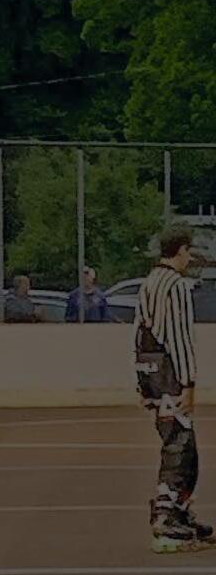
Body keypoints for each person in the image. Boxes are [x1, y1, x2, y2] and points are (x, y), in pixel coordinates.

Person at [135, 224, 214, 553]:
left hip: (151, 370)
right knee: (180, 446)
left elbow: (141, 331)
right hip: (170, 374)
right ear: (181, 250)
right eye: (189, 251)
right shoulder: (176, 285)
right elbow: (180, 338)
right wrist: (189, 382)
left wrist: (142, 382)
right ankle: (166, 518)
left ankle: (179, 512)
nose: (190, 257)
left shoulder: (149, 282)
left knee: (180, 443)